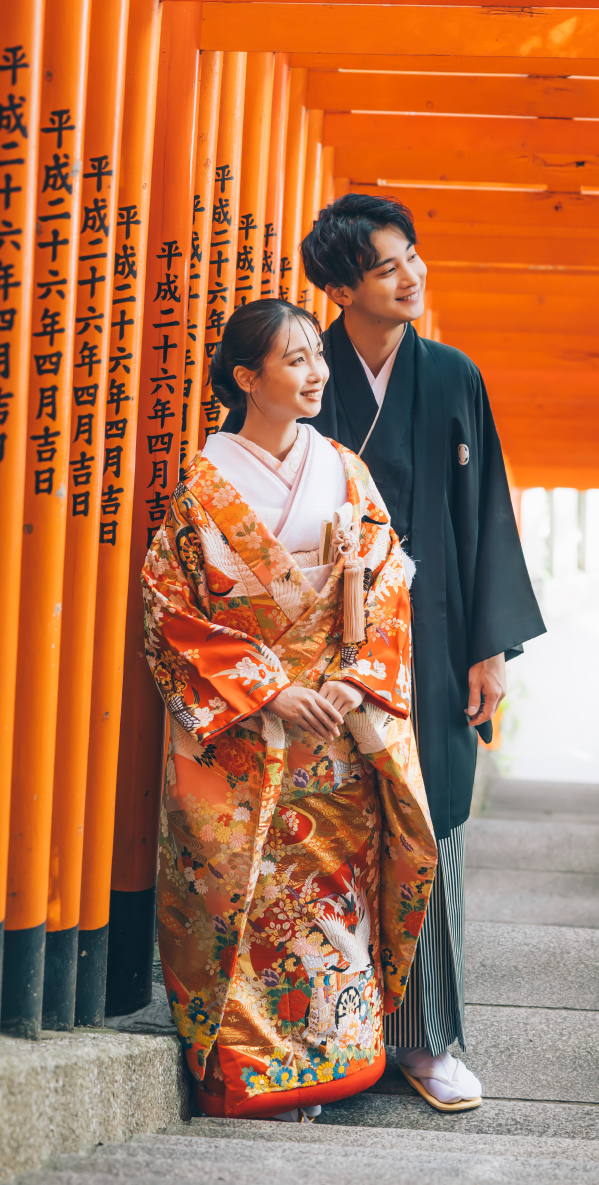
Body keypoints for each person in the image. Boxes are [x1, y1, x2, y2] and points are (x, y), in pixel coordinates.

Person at [223, 192, 545, 1112]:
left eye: (414, 258)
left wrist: (490, 651)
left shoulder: (451, 378)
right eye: (387, 266)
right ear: (339, 286)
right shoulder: (302, 371)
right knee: (324, 834)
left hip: (432, 638)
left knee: (431, 825)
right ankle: (325, 1040)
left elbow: (484, 516)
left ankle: (428, 1039)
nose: (411, 278)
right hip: (320, 650)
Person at [142, 297, 440, 1122]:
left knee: (333, 893)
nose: (316, 373)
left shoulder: (344, 467)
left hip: (339, 723)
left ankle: (336, 1061)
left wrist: (356, 680)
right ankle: (242, 1071)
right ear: (248, 378)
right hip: (248, 734)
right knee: (241, 893)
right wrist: (273, 687)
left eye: (318, 356)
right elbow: (171, 610)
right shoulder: (204, 483)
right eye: (296, 360)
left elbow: (387, 580)